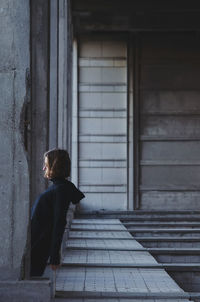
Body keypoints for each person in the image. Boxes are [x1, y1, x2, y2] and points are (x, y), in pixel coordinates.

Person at [30, 148, 84, 276]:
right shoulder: (60, 188)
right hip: (35, 245)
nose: (43, 168)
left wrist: (55, 257)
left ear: (55, 166)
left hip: (38, 247)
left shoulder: (60, 190)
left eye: (46, 164)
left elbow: (59, 223)